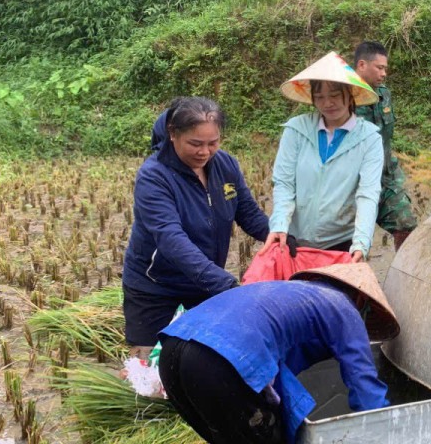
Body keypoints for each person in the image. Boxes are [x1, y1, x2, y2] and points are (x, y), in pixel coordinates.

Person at [158, 262, 399, 444]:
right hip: (217, 360)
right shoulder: (343, 306)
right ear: (359, 298)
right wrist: (386, 431)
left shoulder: (291, 295)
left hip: (171, 352)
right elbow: (366, 387)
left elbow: (277, 372)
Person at [122, 97, 270, 357]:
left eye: (213, 143)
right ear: (173, 135)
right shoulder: (154, 176)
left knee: (201, 361)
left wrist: (280, 237)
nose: (204, 152)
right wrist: (224, 283)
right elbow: (171, 239)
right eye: (195, 144)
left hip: (203, 285)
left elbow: (247, 213)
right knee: (149, 367)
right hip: (156, 289)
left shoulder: (225, 165)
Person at [259, 52, 384, 262]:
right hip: (293, 243)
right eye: (319, 97)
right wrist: (280, 224)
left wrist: (361, 242)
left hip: (341, 245)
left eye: (334, 95)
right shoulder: (297, 129)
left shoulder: (368, 138)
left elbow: (368, 193)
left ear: (351, 93)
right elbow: (284, 183)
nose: (327, 103)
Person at [352, 41, 418, 251]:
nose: (384, 73)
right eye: (379, 68)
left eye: (385, 68)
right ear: (362, 65)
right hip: (353, 179)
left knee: (405, 223)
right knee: (348, 238)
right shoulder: (342, 97)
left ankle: (402, 277)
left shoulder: (383, 94)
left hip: (386, 175)